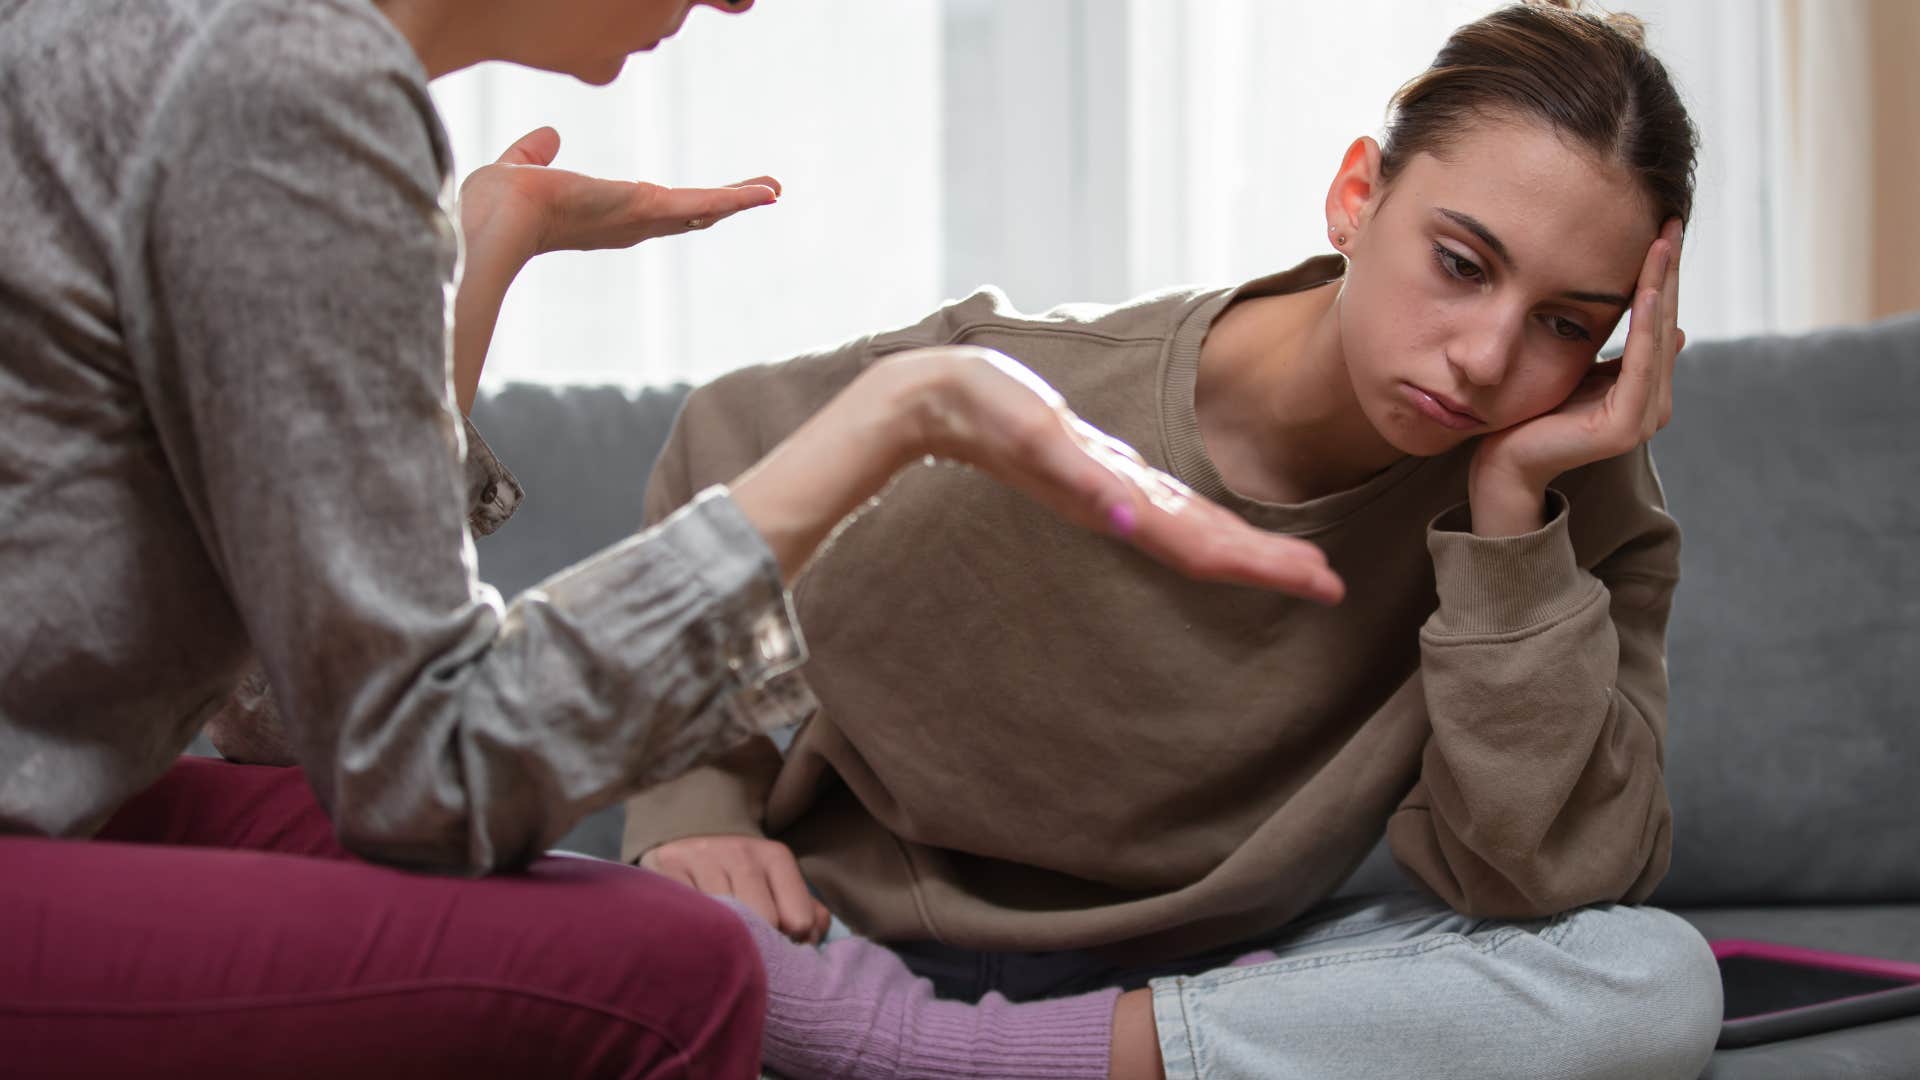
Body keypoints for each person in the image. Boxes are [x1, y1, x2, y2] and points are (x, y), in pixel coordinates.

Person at [0, 1, 1342, 1076]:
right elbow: (428, 772)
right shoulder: (286, 95)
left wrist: (475, 265)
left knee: (609, 915)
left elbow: (285, 711)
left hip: (70, 796)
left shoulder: (225, 56)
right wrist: (898, 417)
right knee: (668, 971)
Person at [621, 3, 1726, 1078]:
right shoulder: (1027, 382)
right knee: (629, 931)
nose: (1486, 358)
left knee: (1653, 979)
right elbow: (724, 440)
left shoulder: (1559, 484)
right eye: (1462, 265)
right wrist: (693, 798)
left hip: (1203, 986)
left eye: (1565, 324)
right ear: (1356, 198)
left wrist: (1510, 517)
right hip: (865, 937)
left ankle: (955, 1061)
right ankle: (936, 1041)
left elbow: (1542, 878)